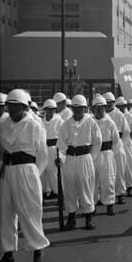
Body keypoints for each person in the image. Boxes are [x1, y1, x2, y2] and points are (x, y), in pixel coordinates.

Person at [0, 89, 49, 262]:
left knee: (30, 211)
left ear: (24, 107)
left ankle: (37, 250)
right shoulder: (2, 123)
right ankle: (8, 253)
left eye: (15, 107)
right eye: (9, 106)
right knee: (5, 212)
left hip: (26, 170)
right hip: (6, 170)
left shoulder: (34, 125)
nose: (11, 110)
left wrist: (34, 173)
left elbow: (42, 155)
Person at [57, 94, 102, 230]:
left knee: (86, 187)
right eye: (75, 108)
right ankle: (71, 219)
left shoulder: (91, 122)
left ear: (84, 108)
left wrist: (91, 157)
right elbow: (61, 144)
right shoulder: (66, 124)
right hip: (70, 159)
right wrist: (60, 157)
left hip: (84, 158)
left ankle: (88, 218)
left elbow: (97, 141)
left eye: (80, 108)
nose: (77, 111)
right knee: (69, 188)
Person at [92, 95, 119, 216]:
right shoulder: (90, 122)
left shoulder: (110, 123)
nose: (99, 110)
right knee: (92, 181)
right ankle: (92, 205)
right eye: (97, 108)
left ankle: (110, 204)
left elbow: (116, 142)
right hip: (92, 155)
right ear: (93, 109)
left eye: (102, 107)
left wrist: (111, 154)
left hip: (106, 154)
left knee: (108, 180)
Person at [103, 92, 129, 204]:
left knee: (119, 172)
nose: (109, 105)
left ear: (114, 103)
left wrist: (120, 145)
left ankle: (119, 194)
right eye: (107, 103)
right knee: (105, 174)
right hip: (105, 149)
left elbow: (126, 132)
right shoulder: (101, 116)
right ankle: (106, 196)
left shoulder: (119, 115)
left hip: (118, 146)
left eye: (111, 102)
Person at [116, 97, 132, 197]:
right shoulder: (115, 116)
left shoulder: (130, 116)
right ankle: (118, 192)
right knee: (118, 168)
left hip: (128, 143)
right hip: (118, 144)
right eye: (119, 106)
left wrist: (131, 140)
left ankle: (129, 187)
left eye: (123, 106)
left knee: (129, 165)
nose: (121, 108)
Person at [41, 99, 63, 200]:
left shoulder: (59, 121)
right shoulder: (41, 121)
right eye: (48, 109)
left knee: (54, 171)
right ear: (45, 110)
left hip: (55, 148)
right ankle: (45, 191)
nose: (50, 111)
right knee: (44, 171)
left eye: (52, 109)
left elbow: (63, 136)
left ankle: (58, 192)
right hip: (44, 148)